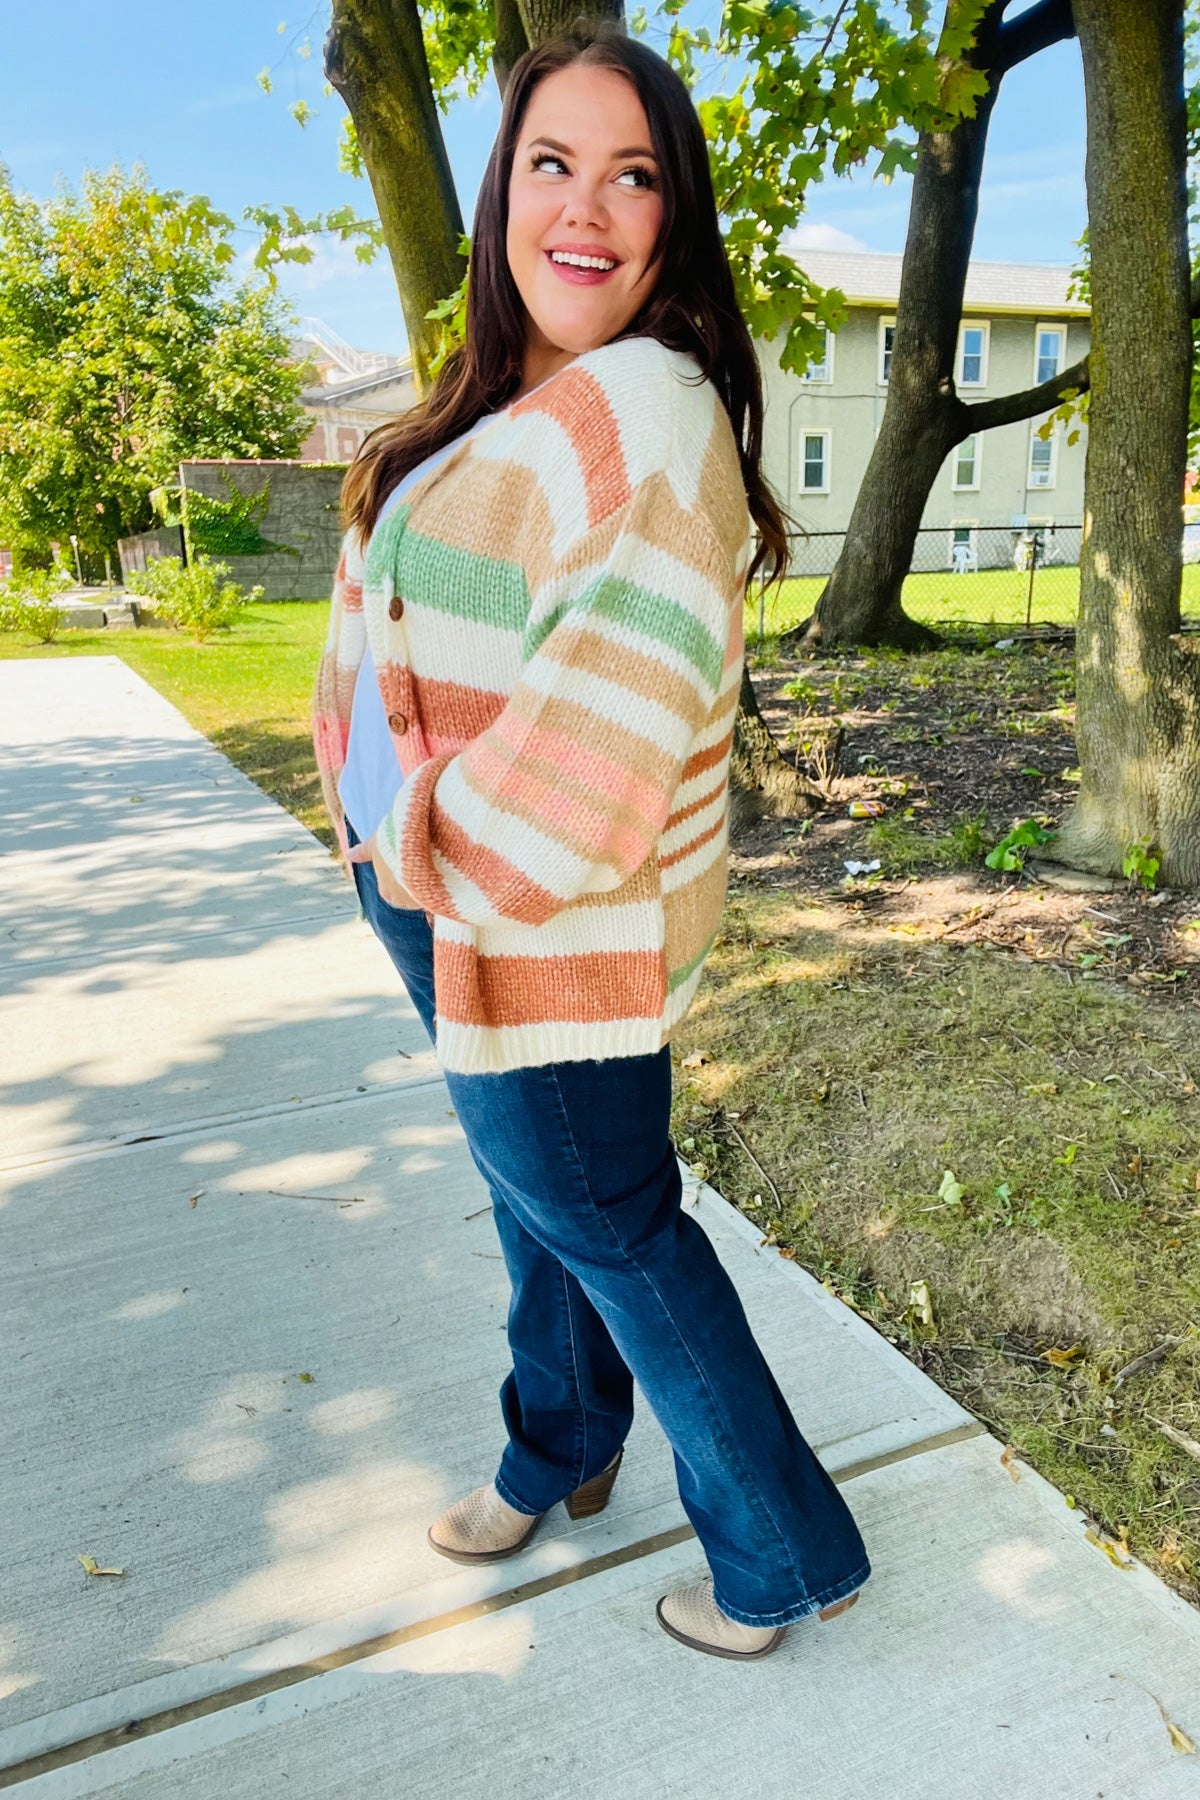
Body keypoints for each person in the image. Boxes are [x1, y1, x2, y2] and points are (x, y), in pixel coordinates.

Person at [312, 17, 870, 1661]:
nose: (588, 205)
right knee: (540, 1207)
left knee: (612, 1221)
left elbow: (585, 770)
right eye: (552, 161)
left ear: (670, 218)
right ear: (502, 196)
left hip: (525, 916)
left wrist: (410, 846)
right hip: (432, 897)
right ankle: (558, 1446)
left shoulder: (652, 416)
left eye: (634, 176)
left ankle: (779, 1558)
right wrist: (365, 832)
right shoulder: (506, 393)